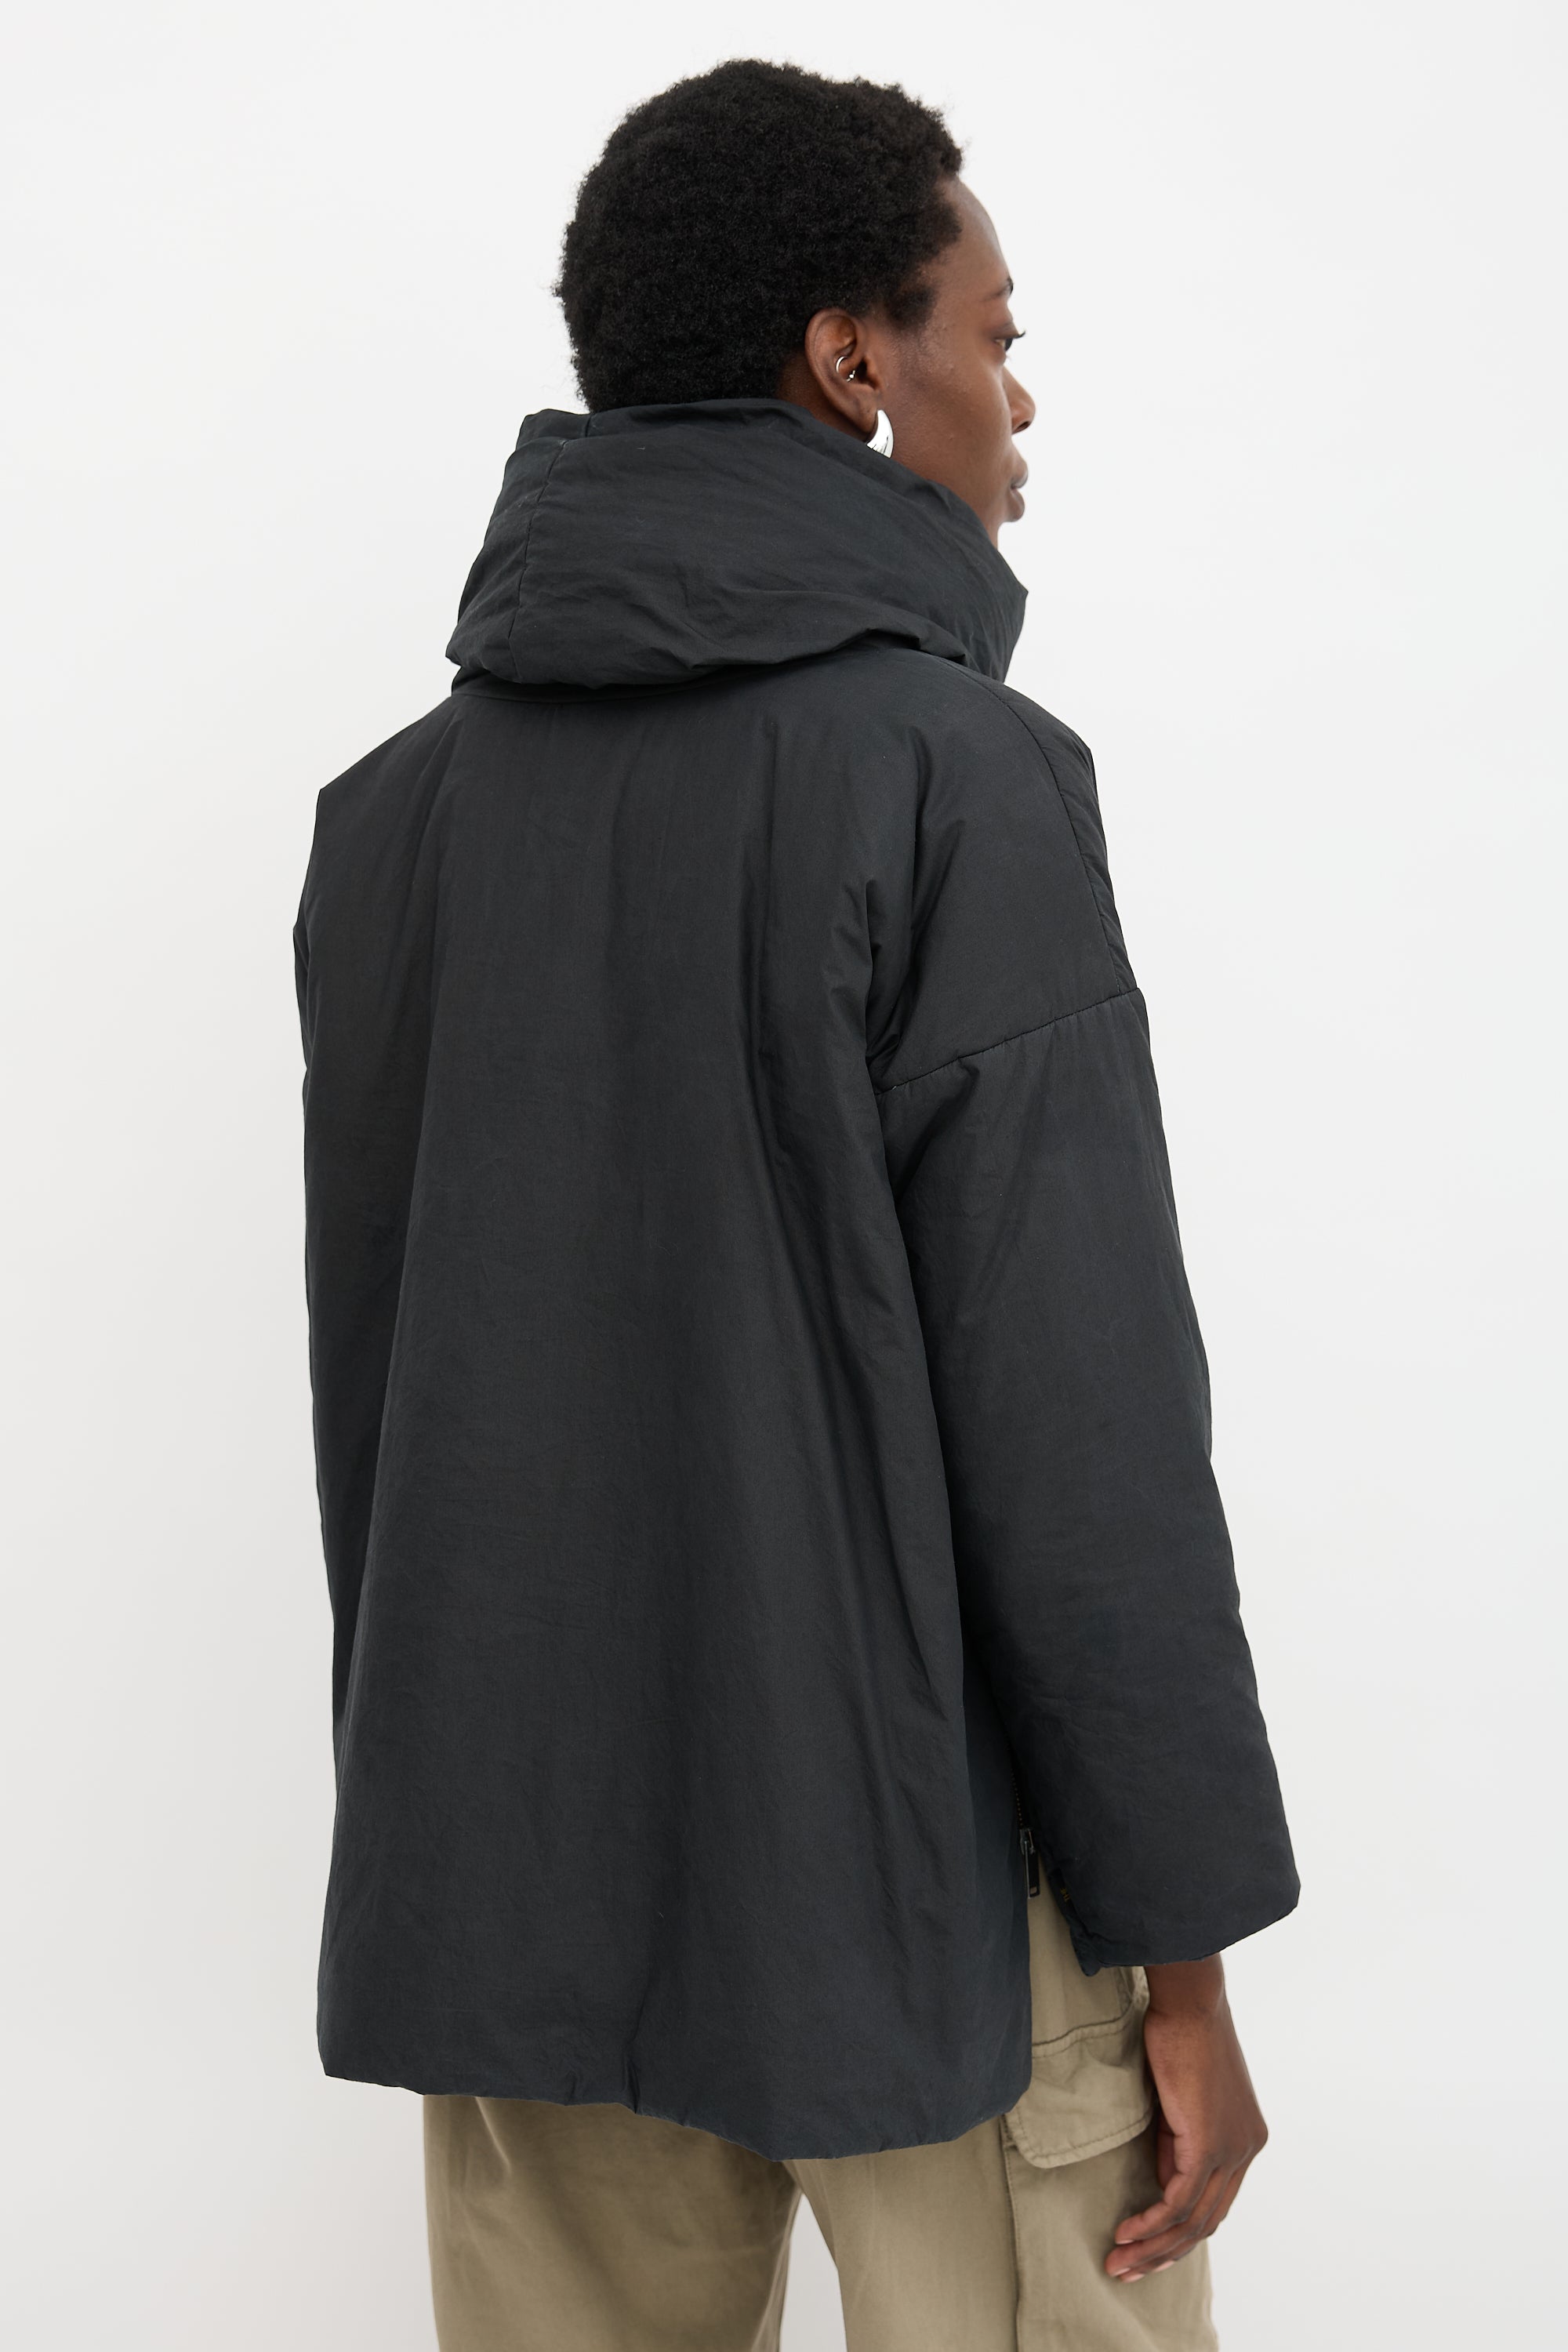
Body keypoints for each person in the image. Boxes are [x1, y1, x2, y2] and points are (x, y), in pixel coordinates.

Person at [294, 57, 1298, 2352]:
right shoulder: (957, 781)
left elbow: (402, 1400)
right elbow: (1081, 1423)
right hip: (923, 1880)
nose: (1017, 400)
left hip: (514, 1876)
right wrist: (1185, 1958)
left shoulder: (397, 821)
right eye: (992, 333)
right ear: (854, 359)